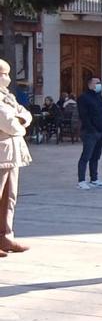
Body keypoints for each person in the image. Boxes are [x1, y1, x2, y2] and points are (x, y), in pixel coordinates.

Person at [0, 60, 32, 255]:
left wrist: (20, 121)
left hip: (12, 152)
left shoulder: (8, 96)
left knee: (9, 197)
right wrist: (20, 124)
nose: (8, 78)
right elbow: (8, 123)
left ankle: (6, 237)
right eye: (4, 74)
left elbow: (25, 114)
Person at [77, 77, 102, 190]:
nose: (99, 85)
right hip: (90, 132)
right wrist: (91, 129)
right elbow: (83, 115)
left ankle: (94, 179)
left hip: (101, 131)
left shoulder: (99, 97)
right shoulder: (84, 98)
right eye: (97, 83)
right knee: (86, 156)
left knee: (96, 156)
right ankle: (81, 180)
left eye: (100, 83)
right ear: (90, 85)